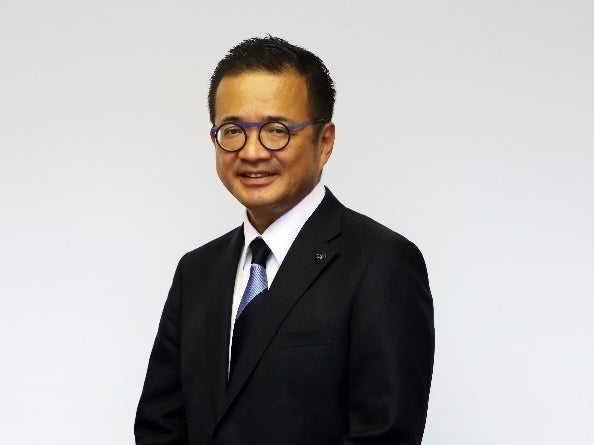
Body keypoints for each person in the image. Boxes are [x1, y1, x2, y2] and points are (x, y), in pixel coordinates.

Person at [135, 36, 434, 445]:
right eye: (233, 131)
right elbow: (160, 428)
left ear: (324, 142)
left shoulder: (382, 263)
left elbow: (384, 436)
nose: (251, 152)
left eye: (276, 131)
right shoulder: (197, 270)